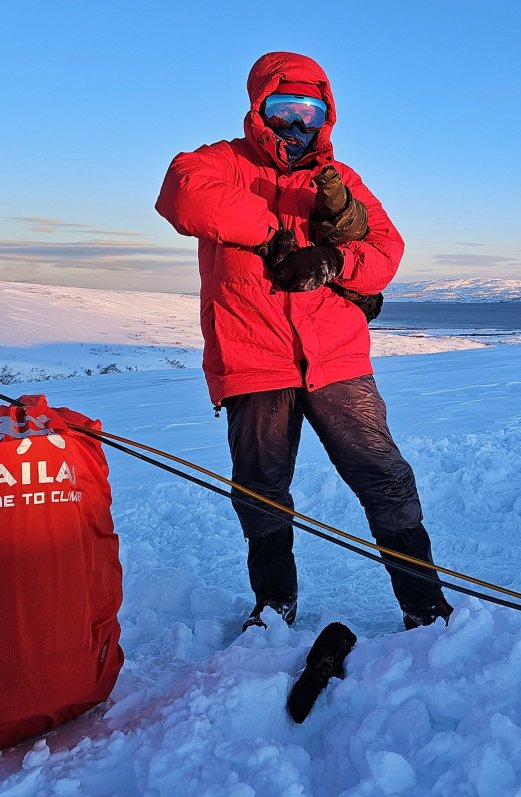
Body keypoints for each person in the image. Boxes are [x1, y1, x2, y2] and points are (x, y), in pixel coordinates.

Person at [155, 51, 452, 632]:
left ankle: (425, 606)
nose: (295, 124)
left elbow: (386, 252)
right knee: (261, 491)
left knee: (386, 479)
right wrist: (272, 234)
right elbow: (182, 194)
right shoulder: (222, 163)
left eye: (308, 112)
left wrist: (332, 261)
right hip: (253, 360)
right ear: (258, 109)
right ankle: (274, 605)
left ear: (326, 116)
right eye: (283, 108)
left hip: (337, 359)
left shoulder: (340, 181)